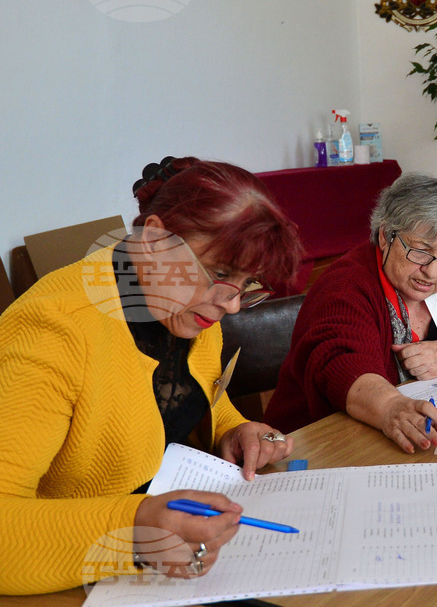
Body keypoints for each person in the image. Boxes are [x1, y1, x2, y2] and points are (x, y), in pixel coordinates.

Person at [0, 157, 303, 594]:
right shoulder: (53, 330)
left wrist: (235, 428)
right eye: (219, 274)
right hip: (61, 581)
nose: (232, 304)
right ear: (155, 240)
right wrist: (136, 533)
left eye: (247, 282)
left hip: (164, 564)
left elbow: (188, 399)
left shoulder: (187, 310)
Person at [264, 173, 437, 452]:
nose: (432, 271)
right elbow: (343, 366)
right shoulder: (345, 287)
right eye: (419, 251)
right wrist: (391, 406)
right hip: (315, 448)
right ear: (385, 236)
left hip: (414, 437)